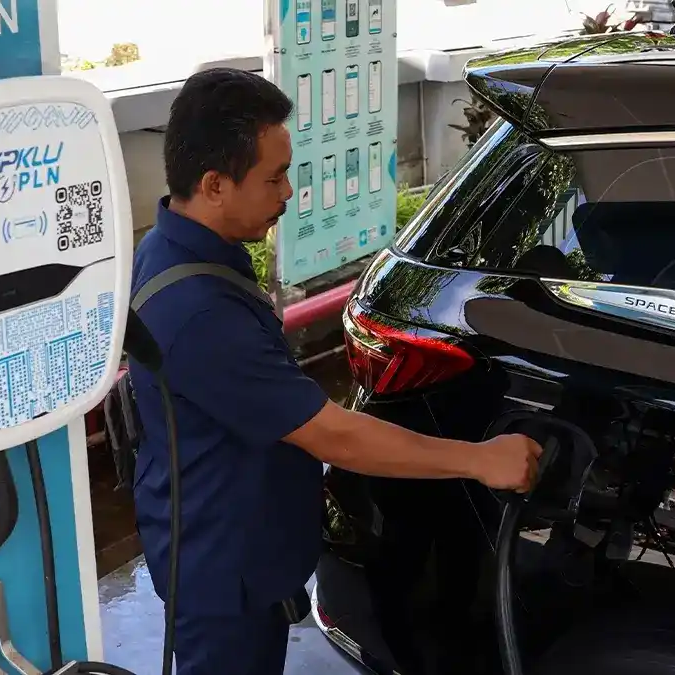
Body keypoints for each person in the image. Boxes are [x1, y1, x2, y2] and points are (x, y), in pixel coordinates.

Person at [128, 67, 542, 675]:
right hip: (223, 575)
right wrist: (480, 459)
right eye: (273, 178)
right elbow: (333, 435)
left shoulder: (173, 249)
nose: (288, 193)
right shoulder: (199, 313)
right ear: (214, 184)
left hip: (229, 540)